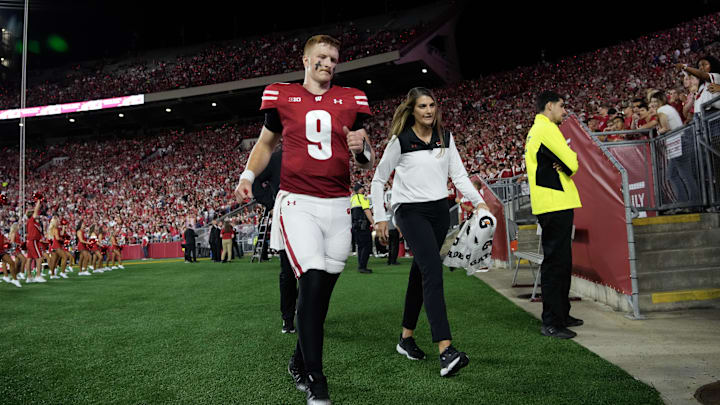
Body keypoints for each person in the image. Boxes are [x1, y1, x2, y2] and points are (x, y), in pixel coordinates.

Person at [234, 34, 374, 405]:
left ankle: (299, 359)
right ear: (306, 60)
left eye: (334, 58)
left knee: (320, 295)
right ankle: (316, 378)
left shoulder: (350, 99)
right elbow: (265, 143)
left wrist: (362, 152)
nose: (328, 63)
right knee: (310, 277)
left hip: (339, 205)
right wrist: (247, 177)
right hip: (297, 202)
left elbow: (364, 153)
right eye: (322, 56)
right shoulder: (281, 95)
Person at [371, 87, 488, 377]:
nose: (428, 110)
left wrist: (480, 202)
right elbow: (378, 179)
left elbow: (458, 174)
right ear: (412, 110)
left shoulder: (445, 138)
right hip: (409, 212)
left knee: (419, 274)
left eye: (432, 105)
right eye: (422, 106)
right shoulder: (400, 141)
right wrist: (381, 218)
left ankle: (406, 339)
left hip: (437, 212)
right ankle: (446, 350)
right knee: (432, 270)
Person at [525, 90, 583, 339]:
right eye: (561, 106)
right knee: (555, 264)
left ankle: (561, 314)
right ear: (549, 106)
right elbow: (572, 162)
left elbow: (565, 162)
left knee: (561, 261)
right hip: (554, 203)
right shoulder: (546, 128)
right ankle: (551, 322)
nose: (564, 111)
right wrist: (568, 162)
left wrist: (565, 162)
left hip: (552, 202)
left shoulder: (538, 129)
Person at [253, 149, 297, 333]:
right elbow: (255, 181)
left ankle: (306, 314)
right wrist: (271, 204)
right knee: (287, 272)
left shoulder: (313, 151)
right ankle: (288, 318)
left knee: (312, 272)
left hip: (312, 218)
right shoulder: (277, 158)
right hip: (287, 218)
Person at [350, 183, 374, 274]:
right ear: (359, 190)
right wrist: (373, 222)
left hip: (355, 225)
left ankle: (361, 265)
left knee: (360, 246)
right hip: (363, 225)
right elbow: (366, 210)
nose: (363, 189)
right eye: (362, 188)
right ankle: (363, 266)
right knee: (367, 245)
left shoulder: (352, 199)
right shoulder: (362, 197)